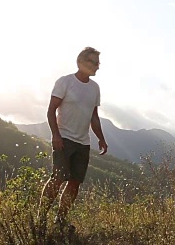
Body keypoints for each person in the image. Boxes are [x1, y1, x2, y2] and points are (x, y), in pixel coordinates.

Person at [39, 46, 108, 229]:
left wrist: (101, 138)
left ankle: (60, 220)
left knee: (75, 182)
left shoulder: (95, 88)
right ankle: (41, 218)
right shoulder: (65, 82)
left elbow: (94, 116)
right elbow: (51, 110)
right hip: (64, 138)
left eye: (97, 63)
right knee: (58, 178)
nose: (97, 66)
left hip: (83, 142)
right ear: (80, 62)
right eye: (93, 62)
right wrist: (55, 135)